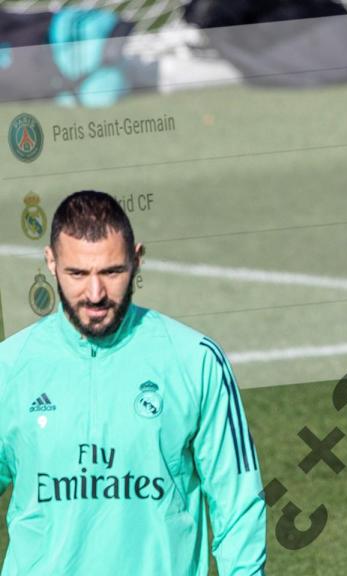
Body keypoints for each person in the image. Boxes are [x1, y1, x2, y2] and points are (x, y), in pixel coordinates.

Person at [0, 190, 266, 575]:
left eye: (111, 272)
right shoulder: (10, 367)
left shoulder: (195, 360)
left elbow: (238, 502)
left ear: (137, 260)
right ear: (51, 263)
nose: (95, 294)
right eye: (77, 273)